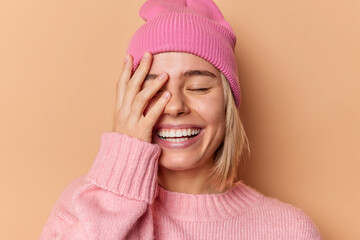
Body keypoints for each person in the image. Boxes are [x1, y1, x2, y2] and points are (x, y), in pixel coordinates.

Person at [39, 0, 322, 239]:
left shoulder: (289, 229)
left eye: (198, 87)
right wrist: (123, 159)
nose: (174, 106)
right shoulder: (84, 205)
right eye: (154, 88)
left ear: (228, 103)